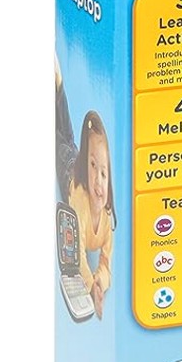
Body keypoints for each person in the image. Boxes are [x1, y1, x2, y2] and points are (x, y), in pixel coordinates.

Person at [56, 58, 115, 319]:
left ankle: (58, 85)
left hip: (76, 166)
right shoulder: (81, 206)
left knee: (66, 134)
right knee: (60, 136)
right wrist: (90, 285)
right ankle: (57, 86)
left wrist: (100, 282)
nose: (99, 181)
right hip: (69, 173)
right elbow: (78, 254)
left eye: (103, 173)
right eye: (93, 166)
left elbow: (106, 261)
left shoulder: (107, 219)